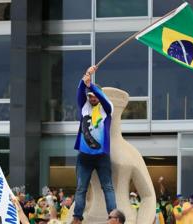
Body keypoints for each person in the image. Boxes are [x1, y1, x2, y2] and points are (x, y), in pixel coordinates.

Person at [73, 65, 116, 223]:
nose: (92, 99)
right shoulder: (84, 107)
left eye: (94, 96)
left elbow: (103, 99)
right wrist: (86, 77)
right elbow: (80, 92)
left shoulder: (107, 108)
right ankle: (77, 217)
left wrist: (92, 86)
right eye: (90, 96)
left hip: (101, 156)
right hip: (84, 156)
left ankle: (113, 216)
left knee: (108, 187)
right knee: (81, 188)